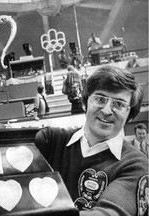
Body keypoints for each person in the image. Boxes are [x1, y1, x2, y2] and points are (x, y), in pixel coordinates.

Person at [34, 65, 148, 216]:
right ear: (84, 103)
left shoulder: (136, 164)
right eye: (100, 99)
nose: (107, 110)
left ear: (130, 115)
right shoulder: (52, 140)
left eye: (119, 104)